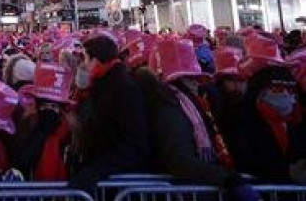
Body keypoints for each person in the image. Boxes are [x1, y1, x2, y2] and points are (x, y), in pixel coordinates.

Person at [141, 40, 255, 198]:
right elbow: (181, 160)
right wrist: (226, 179)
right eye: (190, 78)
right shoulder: (169, 107)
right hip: (184, 191)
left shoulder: (187, 104)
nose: (196, 84)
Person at [68, 34, 149, 193]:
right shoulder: (104, 85)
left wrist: (95, 172)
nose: (82, 65)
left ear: (95, 60)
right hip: (110, 177)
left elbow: (134, 143)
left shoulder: (122, 89)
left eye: (85, 59)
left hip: (120, 183)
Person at [230, 36, 306, 182]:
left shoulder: (296, 120)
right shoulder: (241, 119)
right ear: (260, 92)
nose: (286, 95)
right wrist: (287, 172)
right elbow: (244, 159)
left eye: (290, 90)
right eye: (278, 89)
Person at [13, 63, 75, 181]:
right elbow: (20, 163)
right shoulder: (26, 125)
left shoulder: (72, 132)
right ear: (37, 105)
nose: (49, 111)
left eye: (54, 106)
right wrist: (39, 135)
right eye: (45, 105)